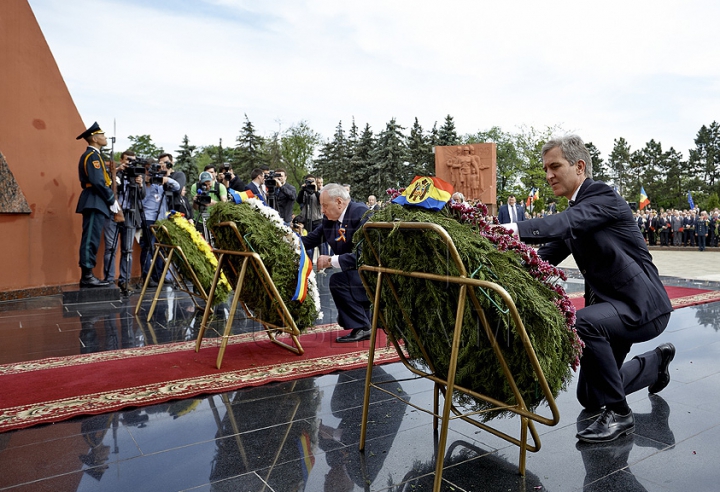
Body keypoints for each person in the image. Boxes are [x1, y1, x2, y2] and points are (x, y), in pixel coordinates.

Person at [504, 135, 674, 443]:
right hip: (611, 309)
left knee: (582, 322)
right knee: (590, 397)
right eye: (546, 168)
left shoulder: (602, 196)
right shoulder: (577, 210)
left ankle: (621, 416)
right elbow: (544, 258)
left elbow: (566, 223)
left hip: (641, 307)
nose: (548, 175)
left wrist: (507, 230)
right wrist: (504, 269)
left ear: (579, 166)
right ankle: (655, 363)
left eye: (555, 166)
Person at [301, 184, 372, 343]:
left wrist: (331, 261)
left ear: (339, 202)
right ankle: (366, 319)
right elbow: (309, 240)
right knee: (343, 278)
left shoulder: (362, 214)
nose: (322, 211)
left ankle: (363, 326)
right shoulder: (329, 220)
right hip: (356, 271)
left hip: (374, 270)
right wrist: (285, 241)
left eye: (325, 206)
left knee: (338, 281)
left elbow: (365, 256)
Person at [75, 122, 120, 288]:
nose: (105, 137)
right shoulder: (92, 156)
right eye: (102, 135)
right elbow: (97, 181)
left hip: (96, 200)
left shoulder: (96, 156)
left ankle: (88, 275)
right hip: (94, 200)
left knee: (92, 239)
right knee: (90, 240)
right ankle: (87, 276)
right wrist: (111, 199)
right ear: (94, 138)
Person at [102, 150, 145, 295]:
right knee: (110, 248)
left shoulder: (137, 175)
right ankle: (109, 280)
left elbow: (142, 196)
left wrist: (140, 185)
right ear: (121, 160)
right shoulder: (115, 172)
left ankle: (125, 281)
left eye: (132, 160)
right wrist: (117, 172)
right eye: (127, 160)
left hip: (130, 214)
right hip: (112, 214)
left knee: (128, 250)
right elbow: (105, 187)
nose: (129, 163)